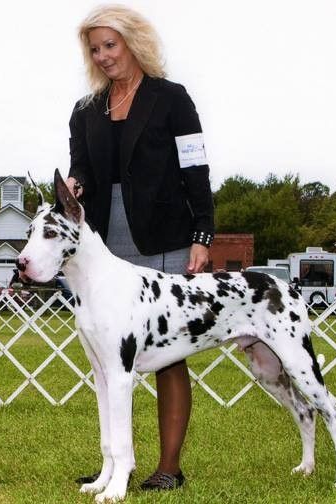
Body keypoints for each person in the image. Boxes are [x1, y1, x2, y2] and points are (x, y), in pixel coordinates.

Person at [66, 5, 214, 491]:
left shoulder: (171, 98)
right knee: (108, 361)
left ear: (133, 42)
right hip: (105, 243)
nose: (103, 56)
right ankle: (114, 464)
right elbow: (81, 167)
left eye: (110, 45)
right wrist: (75, 184)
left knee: (169, 356)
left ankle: (168, 467)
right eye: (95, 49)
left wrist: (202, 234)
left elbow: (196, 168)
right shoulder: (85, 110)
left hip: (165, 235)